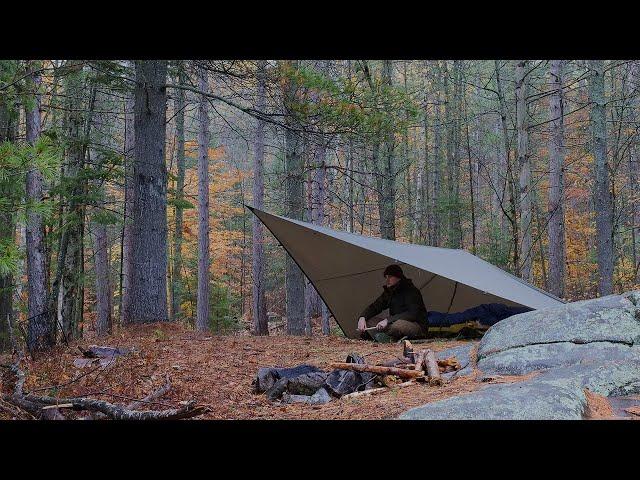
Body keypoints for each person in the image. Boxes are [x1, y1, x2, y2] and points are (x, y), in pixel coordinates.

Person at [356, 264, 428, 341]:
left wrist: (387, 320)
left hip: (416, 325)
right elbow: (375, 306)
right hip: (393, 323)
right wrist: (363, 317)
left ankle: (388, 338)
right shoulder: (390, 292)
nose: (387, 280)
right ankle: (384, 337)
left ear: (398, 277)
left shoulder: (411, 291)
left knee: (398, 325)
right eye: (386, 277)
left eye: (390, 277)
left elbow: (412, 314)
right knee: (370, 321)